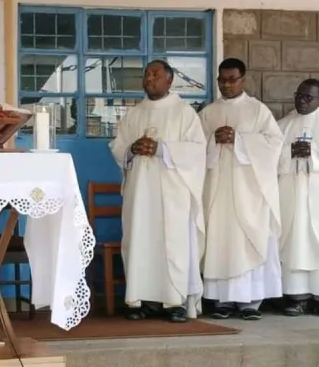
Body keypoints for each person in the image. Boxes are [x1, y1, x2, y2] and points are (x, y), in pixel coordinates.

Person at [109, 60, 206, 323]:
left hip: (172, 194)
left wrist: (162, 149)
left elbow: (198, 150)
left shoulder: (184, 112)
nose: (149, 79)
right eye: (146, 74)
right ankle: (140, 300)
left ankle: (173, 301)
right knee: (140, 242)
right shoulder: (134, 113)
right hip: (139, 193)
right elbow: (117, 147)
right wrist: (132, 149)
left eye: (155, 74)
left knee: (171, 245)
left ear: (169, 80)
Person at [199, 58, 283, 321]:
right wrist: (213, 141)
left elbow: (275, 144)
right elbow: (194, 149)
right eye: (222, 80)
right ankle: (223, 300)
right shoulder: (208, 113)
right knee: (221, 240)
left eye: (232, 79)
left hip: (249, 191)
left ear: (243, 79)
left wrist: (241, 140)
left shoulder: (258, 111)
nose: (226, 84)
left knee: (247, 240)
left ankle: (250, 303)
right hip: (217, 190)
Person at [277, 78, 319, 316]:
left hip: (316, 192)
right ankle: (296, 296)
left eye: (308, 97)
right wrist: (290, 152)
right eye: (298, 95)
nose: (301, 101)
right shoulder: (283, 124)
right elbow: (268, 157)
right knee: (294, 242)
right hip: (291, 193)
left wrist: (311, 154)